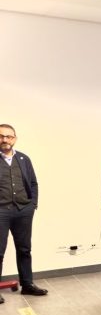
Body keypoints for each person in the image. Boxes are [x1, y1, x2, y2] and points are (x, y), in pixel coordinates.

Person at [0, 123, 47, 302]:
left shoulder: (23, 158)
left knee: (25, 249)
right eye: (1, 136)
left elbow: (33, 183)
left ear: (15, 139)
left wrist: (32, 204)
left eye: (9, 136)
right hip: (1, 211)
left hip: (23, 211)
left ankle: (27, 285)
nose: (5, 139)